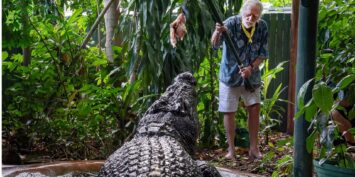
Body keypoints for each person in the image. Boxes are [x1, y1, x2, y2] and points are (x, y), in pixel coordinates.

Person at [211, 0, 268, 160]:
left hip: (252, 76)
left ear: (259, 16)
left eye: (255, 15)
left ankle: (254, 149)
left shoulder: (262, 26)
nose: (250, 18)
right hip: (230, 75)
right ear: (243, 12)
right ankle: (231, 150)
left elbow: (263, 53)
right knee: (229, 111)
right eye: (248, 14)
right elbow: (214, 45)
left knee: (255, 108)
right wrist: (217, 32)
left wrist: (251, 68)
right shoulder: (230, 23)